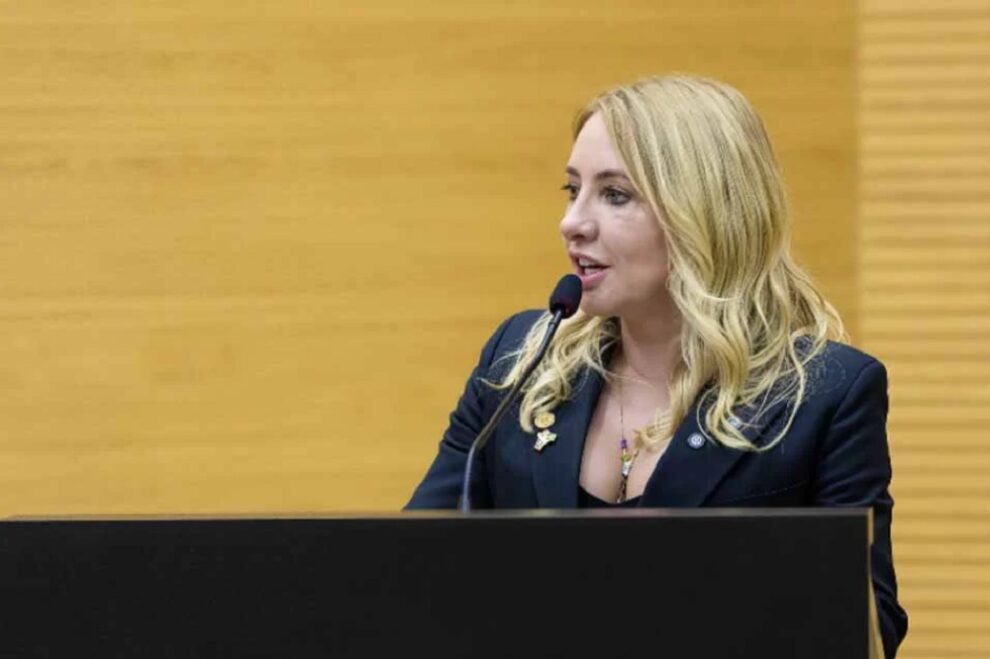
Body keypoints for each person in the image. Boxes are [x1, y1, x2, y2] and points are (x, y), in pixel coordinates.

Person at [405, 74, 908, 657]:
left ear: (705, 211)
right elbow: (408, 571)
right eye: (573, 190)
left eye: (615, 194)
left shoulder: (823, 393)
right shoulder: (520, 359)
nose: (573, 222)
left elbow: (868, 633)